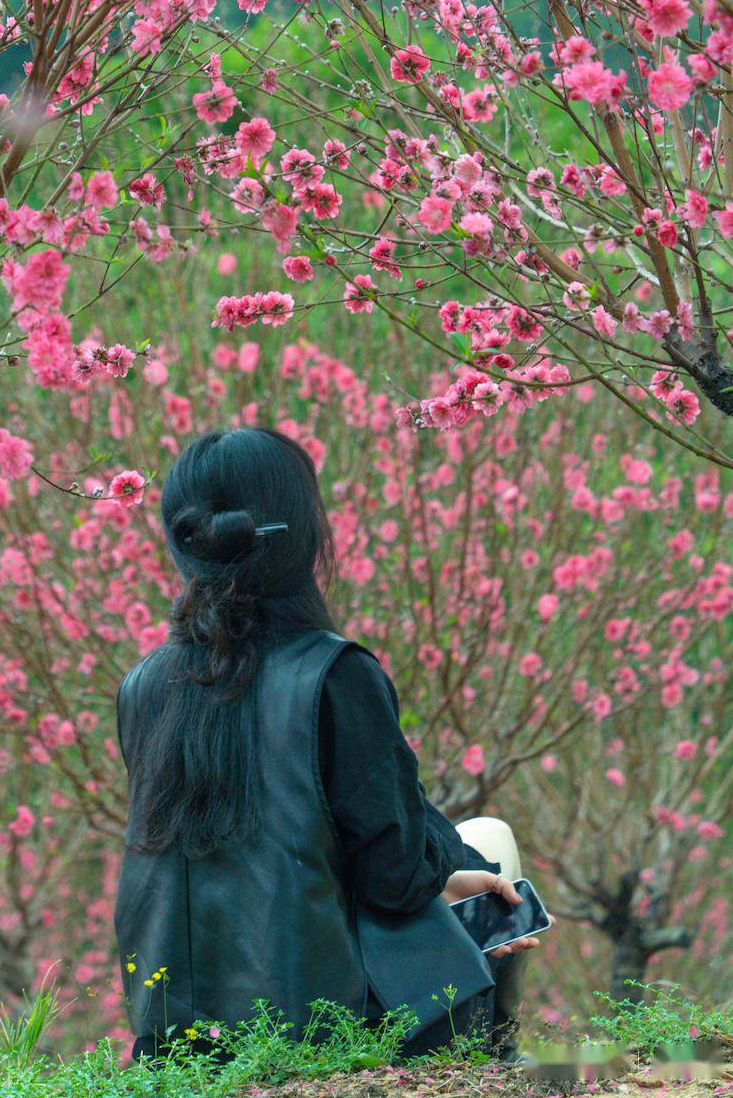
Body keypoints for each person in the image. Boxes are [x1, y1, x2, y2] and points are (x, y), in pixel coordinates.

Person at [114, 427, 550, 1066]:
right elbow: (394, 876)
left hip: (175, 1044)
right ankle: (488, 1063)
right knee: (492, 839)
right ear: (303, 535)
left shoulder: (143, 686)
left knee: (463, 860)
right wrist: (443, 870)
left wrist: (440, 871)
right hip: (327, 1028)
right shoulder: (332, 673)